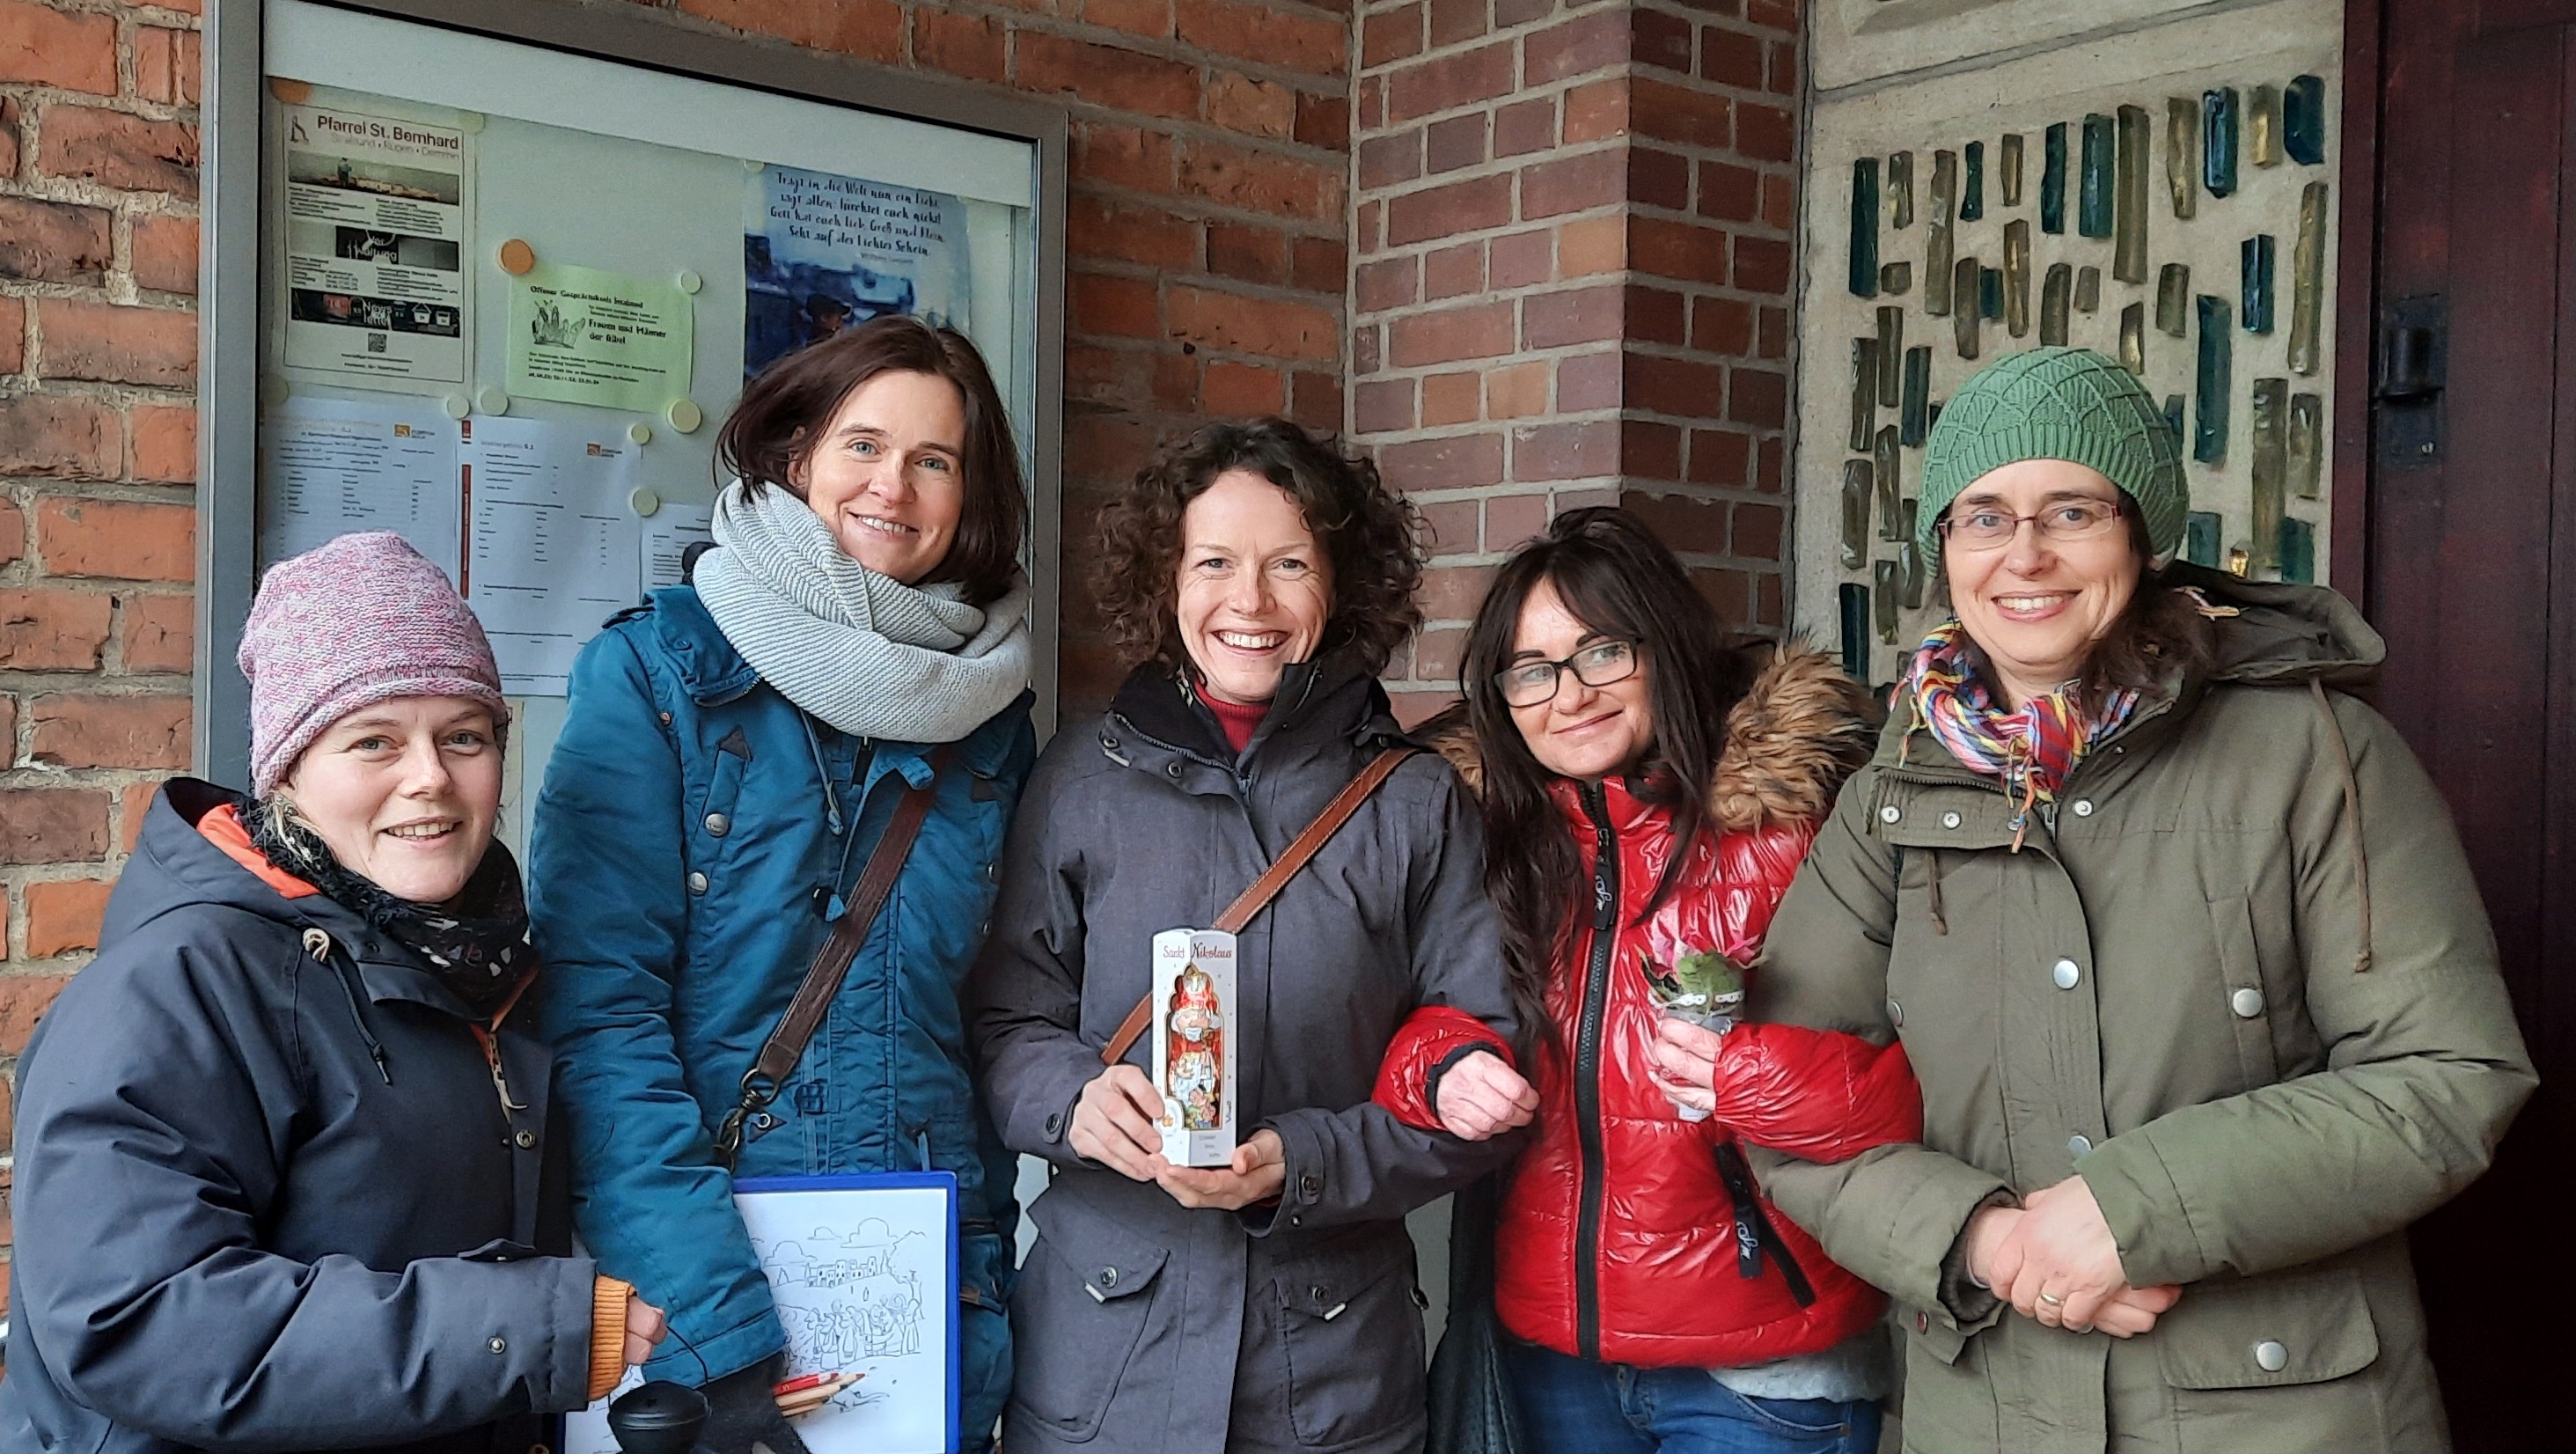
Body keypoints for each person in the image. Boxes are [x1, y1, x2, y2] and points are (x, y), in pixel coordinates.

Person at [1653, 347, 2537, 1451]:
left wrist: (2132, 1211)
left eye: (2069, 508)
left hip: (2280, 1412)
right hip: (1985, 1408)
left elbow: (2445, 1075)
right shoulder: (1890, 791)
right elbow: (1786, 1093)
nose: (2022, 554)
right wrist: (1981, 1239)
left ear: (2137, 536)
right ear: (1944, 552)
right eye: (1981, 516)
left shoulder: (2314, 753)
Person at [0, 532, 663, 1454]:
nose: (429, 776)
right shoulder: (180, 984)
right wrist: (528, 1327)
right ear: (288, 776)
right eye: (373, 740)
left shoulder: (476, 960)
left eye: (463, 735)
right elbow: (137, 1317)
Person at [532, 315, 1035, 1454]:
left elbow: (979, 1018)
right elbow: (595, 1019)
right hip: (695, 1297)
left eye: (933, 460)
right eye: (862, 445)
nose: (891, 487)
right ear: (795, 453)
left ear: (969, 495)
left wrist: (982, 1279)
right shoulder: (655, 677)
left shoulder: (987, 717)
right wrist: (723, 1327)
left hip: (916, 1290)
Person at [968, 419, 1520, 1454]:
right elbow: (1008, 1017)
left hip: (1325, 1366)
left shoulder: (1411, 802)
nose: (1249, 602)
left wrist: (1297, 1159)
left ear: (1340, 584)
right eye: (1214, 561)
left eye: (1289, 565)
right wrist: (1073, 1104)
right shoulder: (1080, 778)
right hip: (1105, 1349)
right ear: (1166, 577)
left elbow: (1470, 1071)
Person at [1367, 508, 1919, 1454]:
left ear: (1661, 647)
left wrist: (1739, 1076)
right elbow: (1399, 1022)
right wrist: (1440, 1064)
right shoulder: (1482, 841)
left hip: (1759, 1371)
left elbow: (1915, 1094)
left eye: (1601, 652)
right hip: (1553, 1358)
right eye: (1531, 670)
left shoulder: (1800, 829)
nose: (1567, 694)